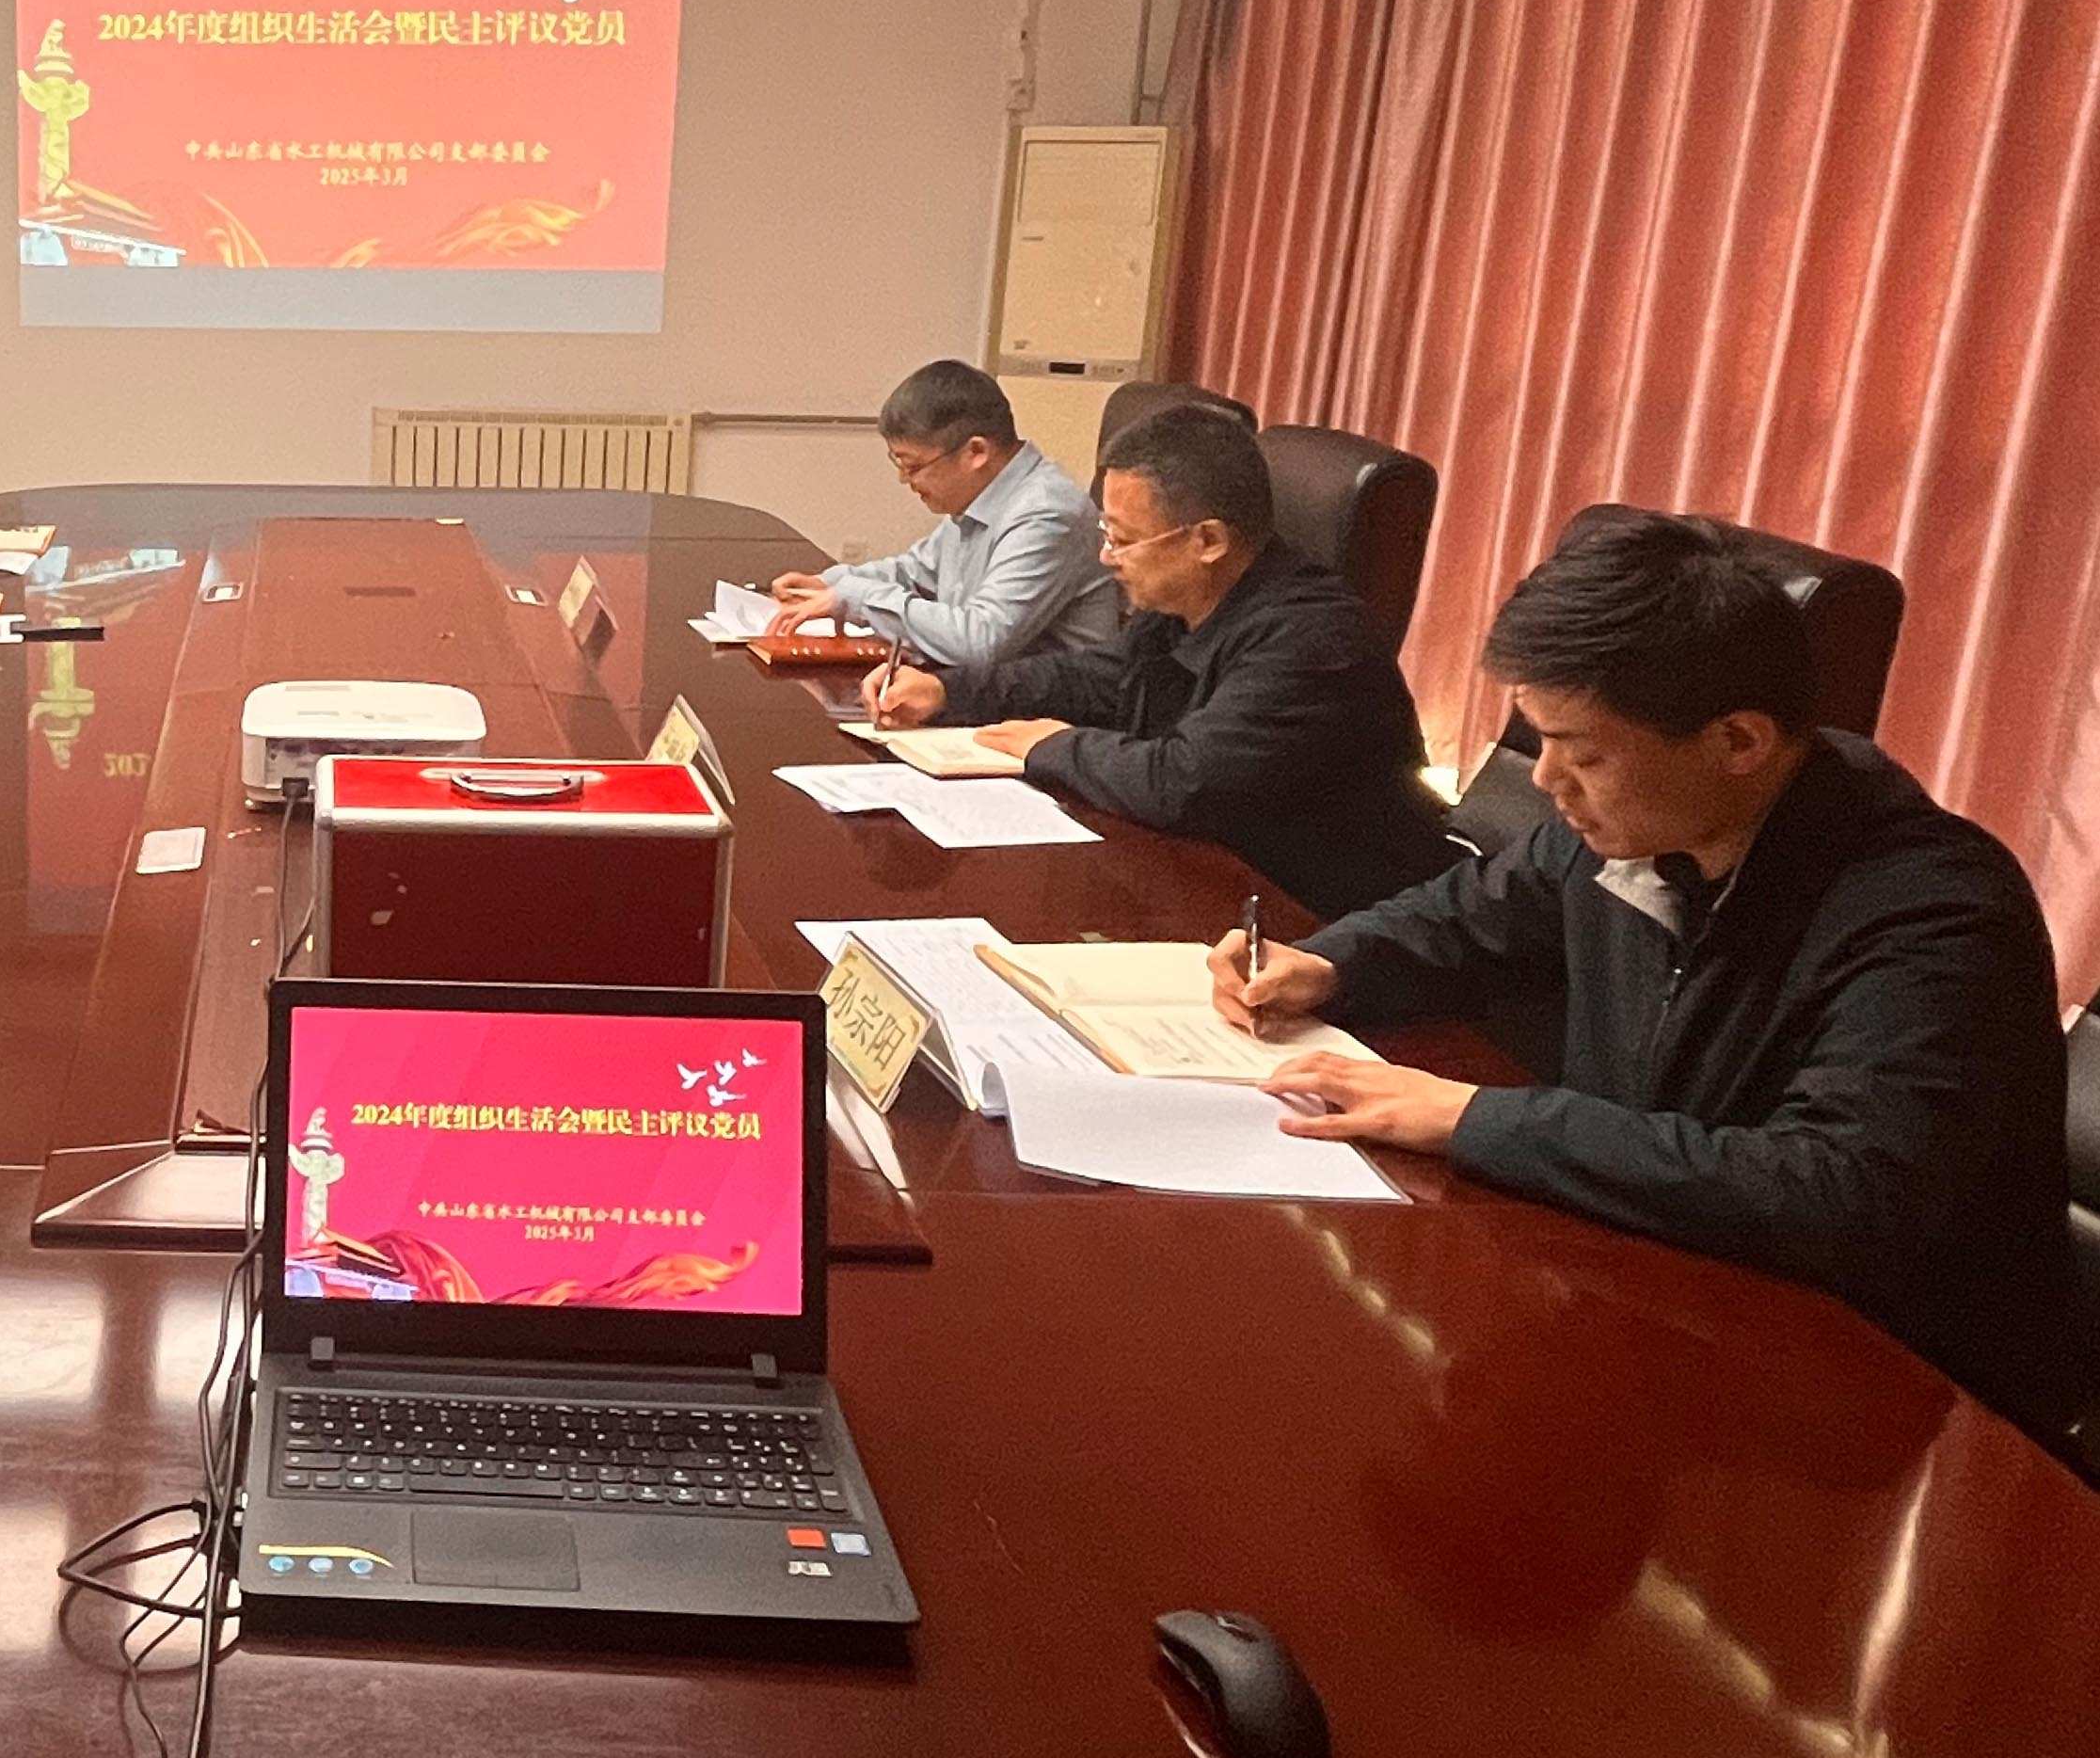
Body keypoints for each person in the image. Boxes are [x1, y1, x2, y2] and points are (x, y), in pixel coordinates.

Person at [1214, 512, 2075, 1438]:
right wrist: (1329, 962)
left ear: (1738, 742)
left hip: (1876, 1403)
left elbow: (1836, 1192)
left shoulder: (1931, 913)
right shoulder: (1636, 827)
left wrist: (1474, 1118)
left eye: (1582, 752)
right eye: (1539, 740)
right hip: (1659, 1287)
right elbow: (1469, 914)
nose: (1543, 779)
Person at [864, 400, 1453, 920]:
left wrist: (1052, 747)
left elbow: (1185, 782)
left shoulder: (1313, 639)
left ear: (1208, 541)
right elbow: (1100, 678)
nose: (1106, 556)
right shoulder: (1185, 600)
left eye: (1123, 539)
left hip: (1322, 920)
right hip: (1212, 878)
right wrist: (951, 691)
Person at [769, 359, 1120, 663]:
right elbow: (917, 572)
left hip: (1041, 711)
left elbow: (980, 639)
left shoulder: (1047, 513)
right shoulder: (983, 495)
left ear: (975, 452)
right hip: (984, 692)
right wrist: (831, 583)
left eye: (913, 466)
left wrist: (856, 598)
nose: (904, 480)